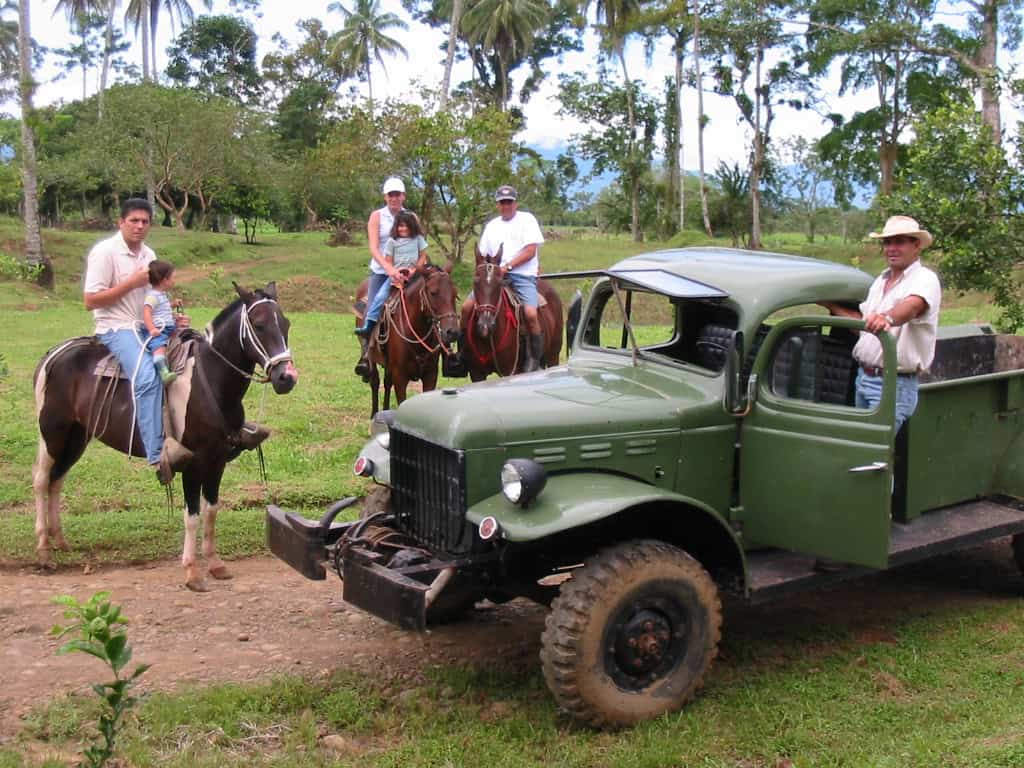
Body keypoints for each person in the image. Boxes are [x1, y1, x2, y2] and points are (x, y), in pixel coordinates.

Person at [83, 198, 193, 484]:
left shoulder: (149, 254)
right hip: (116, 327)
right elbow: (90, 300)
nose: (140, 226)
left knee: (196, 355)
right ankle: (157, 456)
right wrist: (131, 283)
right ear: (121, 222)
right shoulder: (104, 253)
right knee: (147, 376)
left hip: (147, 326)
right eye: (134, 220)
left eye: (145, 221)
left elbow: (153, 298)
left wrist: (170, 320)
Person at [822, 215, 942, 431]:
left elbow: (912, 306)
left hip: (893, 384)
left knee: (873, 454)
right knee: (862, 448)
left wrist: (886, 318)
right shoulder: (880, 281)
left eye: (899, 242)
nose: (892, 248)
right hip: (863, 377)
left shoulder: (925, 279)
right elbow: (865, 325)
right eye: (888, 242)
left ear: (916, 246)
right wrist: (830, 306)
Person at [464, 184, 546, 372]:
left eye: (509, 202)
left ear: (515, 203)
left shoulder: (527, 220)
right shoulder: (492, 226)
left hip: (522, 275)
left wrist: (507, 267)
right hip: (493, 278)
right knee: (466, 307)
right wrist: (487, 271)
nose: (506, 206)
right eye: (502, 203)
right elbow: (484, 255)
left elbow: (531, 251)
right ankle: (463, 355)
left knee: (531, 314)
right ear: (497, 205)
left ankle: (535, 359)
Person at [356, 176, 414, 379]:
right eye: (391, 195)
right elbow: (373, 247)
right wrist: (390, 269)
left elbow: (419, 243)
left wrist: (413, 269)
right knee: (372, 309)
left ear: (403, 196)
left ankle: (440, 350)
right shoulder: (377, 216)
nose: (394, 198)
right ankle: (366, 356)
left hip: (407, 272)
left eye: (397, 194)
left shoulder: (411, 217)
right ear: (385, 196)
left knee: (429, 302)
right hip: (382, 272)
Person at [355, 210, 428, 340]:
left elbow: (423, 255)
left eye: (406, 225)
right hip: (396, 276)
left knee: (432, 297)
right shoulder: (392, 242)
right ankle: (369, 324)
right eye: (400, 226)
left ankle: (442, 340)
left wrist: (415, 270)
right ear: (396, 227)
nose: (403, 228)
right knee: (380, 297)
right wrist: (395, 272)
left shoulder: (418, 239)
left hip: (415, 276)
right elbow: (388, 260)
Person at [140, 260, 180, 385]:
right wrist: (152, 329)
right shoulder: (153, 296)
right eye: (173, 278)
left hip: (168, 328)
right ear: (164, 280)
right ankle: (163, 370)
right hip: (159, 330)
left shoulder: (162, 294)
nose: (174, 280)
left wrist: (173, 305)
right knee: (159, 347)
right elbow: (147, 312)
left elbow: (163, 308)